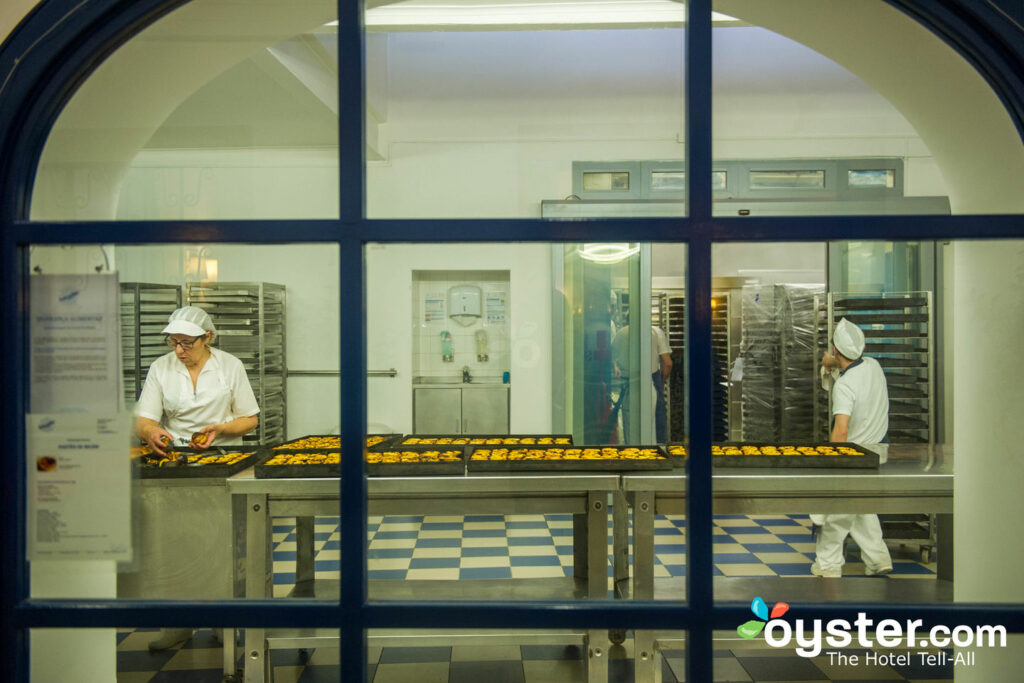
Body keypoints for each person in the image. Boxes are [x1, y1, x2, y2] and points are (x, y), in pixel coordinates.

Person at [134, 305, 260, 649]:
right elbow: (144, 418)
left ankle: (223, 619)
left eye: (187, 343)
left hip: (225, 461)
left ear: (208, 338)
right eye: (174, 342)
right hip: (177, 463)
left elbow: (250, 419)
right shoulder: (161, 367)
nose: (179, 350)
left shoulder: (229, 366)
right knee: (175, 541)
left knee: (223, 540)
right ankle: (178, 623)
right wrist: (151, 433)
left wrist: (220, 429)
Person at [810, 317, 893, 578]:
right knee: (863, 506)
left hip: (853, 455)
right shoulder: (874, 366)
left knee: (836, 512)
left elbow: (841, 428)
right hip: (878, 453)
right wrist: (831, 364)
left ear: (835, 350)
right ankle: (878, 559)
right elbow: (850, 366)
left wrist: (833, 459)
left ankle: (828, 564)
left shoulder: (845, 387)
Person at [611, 324, 673, 442]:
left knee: (630, 422)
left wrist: (616, 368)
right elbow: (668, 363)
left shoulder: (620, 334)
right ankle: (657, 454)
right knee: (656, 424)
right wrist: (662, 381)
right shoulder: (655, 332)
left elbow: (611, 356)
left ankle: (633, 453)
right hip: (652, 378)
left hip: (628, 380)